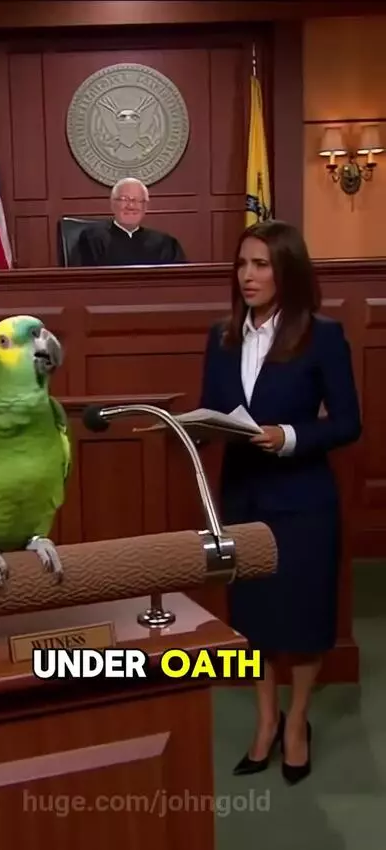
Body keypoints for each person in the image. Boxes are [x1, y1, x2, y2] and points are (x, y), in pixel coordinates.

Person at [199, 219, 361, 785]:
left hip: (303, 501)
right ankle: (265, 721)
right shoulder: (220, 338)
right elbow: (211, 411)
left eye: (261, 264)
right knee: (256, 621)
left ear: (287, 270)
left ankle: (297, 724)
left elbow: (348, 423)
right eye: (242, 264)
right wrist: (198, 429)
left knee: (306, 619)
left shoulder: (324, 336)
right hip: (244, 499)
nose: (247, 275)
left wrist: (287, 436)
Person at [77, 177, 186, 266]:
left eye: (137, 200)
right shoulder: (92, 239)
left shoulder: (165, 243)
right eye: (124, 199)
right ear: (112, 204)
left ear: (145, 207)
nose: (131, 206)